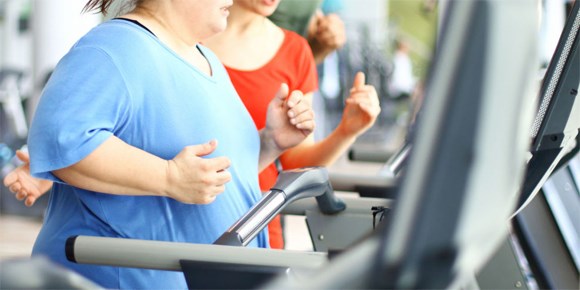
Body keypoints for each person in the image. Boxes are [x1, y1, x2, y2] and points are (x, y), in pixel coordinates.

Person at [5, 0, 380, 252]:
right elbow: (63, 141)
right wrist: (168, 176)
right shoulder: (112, 48)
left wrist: (269, 144)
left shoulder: (205, 58)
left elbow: (215, 172)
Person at [202, 0, 380, 249]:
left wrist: (347, 131)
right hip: (181, 217)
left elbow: (295, 162)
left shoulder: (295, 51)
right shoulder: (187, 39)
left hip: (255, 222)